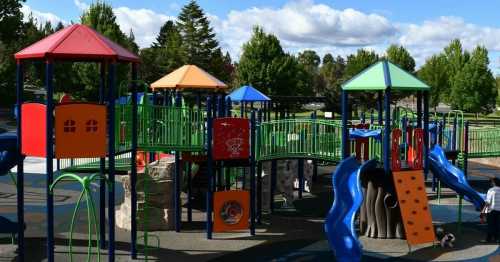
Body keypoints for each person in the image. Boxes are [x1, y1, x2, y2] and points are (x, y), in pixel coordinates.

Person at [481, 177, 500, 243]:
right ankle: (497, 239)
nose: (491, 183)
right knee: (498, 225)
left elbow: (488, 202)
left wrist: (484, 211)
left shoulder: (491, 190)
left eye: (491, 182)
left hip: (492, 210)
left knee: (490, 225)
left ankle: (488, 239)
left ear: (494, 183)